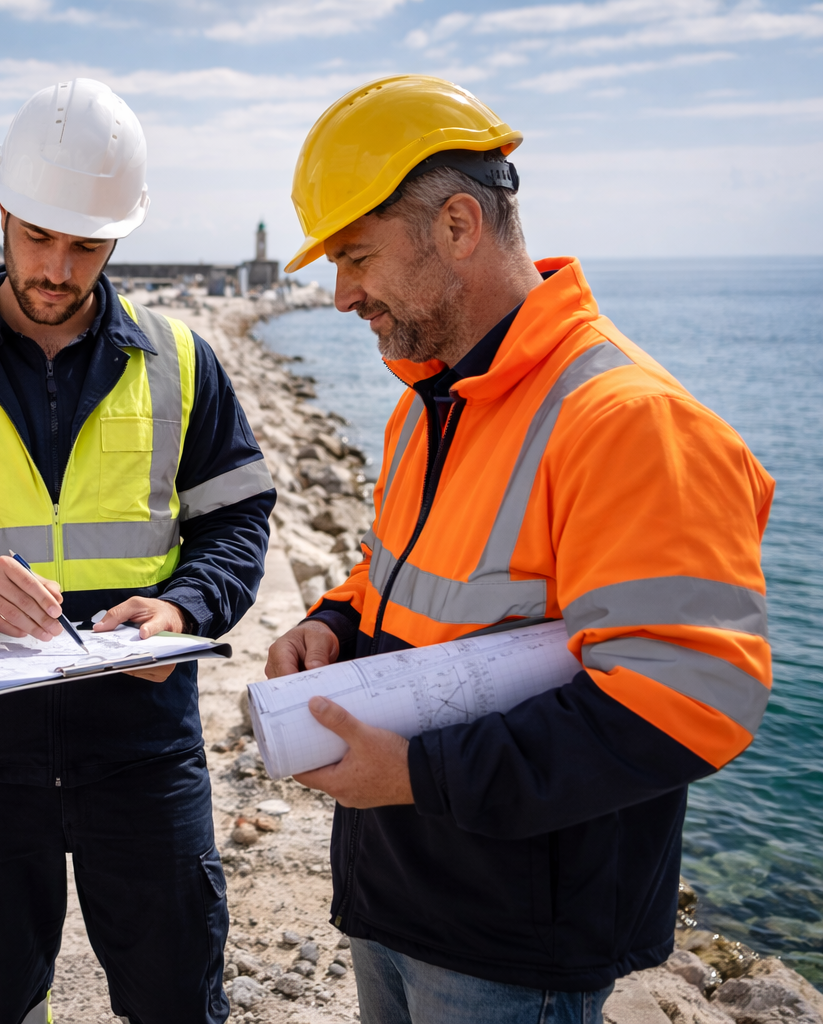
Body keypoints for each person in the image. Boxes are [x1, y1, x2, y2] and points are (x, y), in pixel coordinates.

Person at [265, 75, 774, 1024]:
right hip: (394, 891)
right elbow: (399, 573)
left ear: (458, 225)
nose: (341, 296)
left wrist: (415, 775)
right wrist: (331, 619)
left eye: (357, 257)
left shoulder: (628, 422)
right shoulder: (431, 405)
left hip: (511, 946)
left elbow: (691, 701)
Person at [0, 79, 275, 1024]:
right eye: (38, 237)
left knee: (175, 997)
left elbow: (237, 523)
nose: (57, 268)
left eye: (85, 246)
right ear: (2, 213)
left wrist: (184, 607)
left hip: (143, 753)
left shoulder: (182, 362)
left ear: (118, 239)